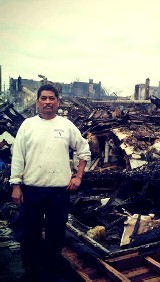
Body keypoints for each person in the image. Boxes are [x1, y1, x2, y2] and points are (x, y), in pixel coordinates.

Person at [9, 84, 91, 279]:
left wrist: (78, 176)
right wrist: (16, 185)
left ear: (58, 102)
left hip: (59, 191)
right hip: (32, 189)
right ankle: (31, 268)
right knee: (30, 232)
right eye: (44, 98)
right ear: (37, 102)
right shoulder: (28, 125)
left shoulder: (66, 126)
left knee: (56, 232)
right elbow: (18, 157)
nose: (48, 102)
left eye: (51, 98)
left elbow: (83, 149)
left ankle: (52, 266)